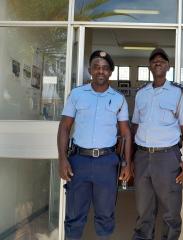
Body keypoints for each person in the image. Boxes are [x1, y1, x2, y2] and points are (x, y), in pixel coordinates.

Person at [57, 50, 132, 240]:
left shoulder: (118, 99)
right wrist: (62, 159)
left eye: (105, 68)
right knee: (74, 216)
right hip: (78, 162)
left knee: (105, 215)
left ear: (111, 72)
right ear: (90, 70)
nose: (101, 71)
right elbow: (65, 127)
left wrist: (127, 163)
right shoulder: (76, 94)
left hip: (107, 163)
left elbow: (125, 133)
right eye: (97, 67)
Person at [131, 48, 183, 240]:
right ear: (149, 66)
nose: (157, 62)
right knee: (144, 211)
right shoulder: (141, 94)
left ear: (168, 66)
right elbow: (135, 126)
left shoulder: (177, 93)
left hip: (167, 157)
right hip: (142, 156)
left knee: (170, 212)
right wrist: (131, 158)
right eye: (153, 60)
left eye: (162, 60)